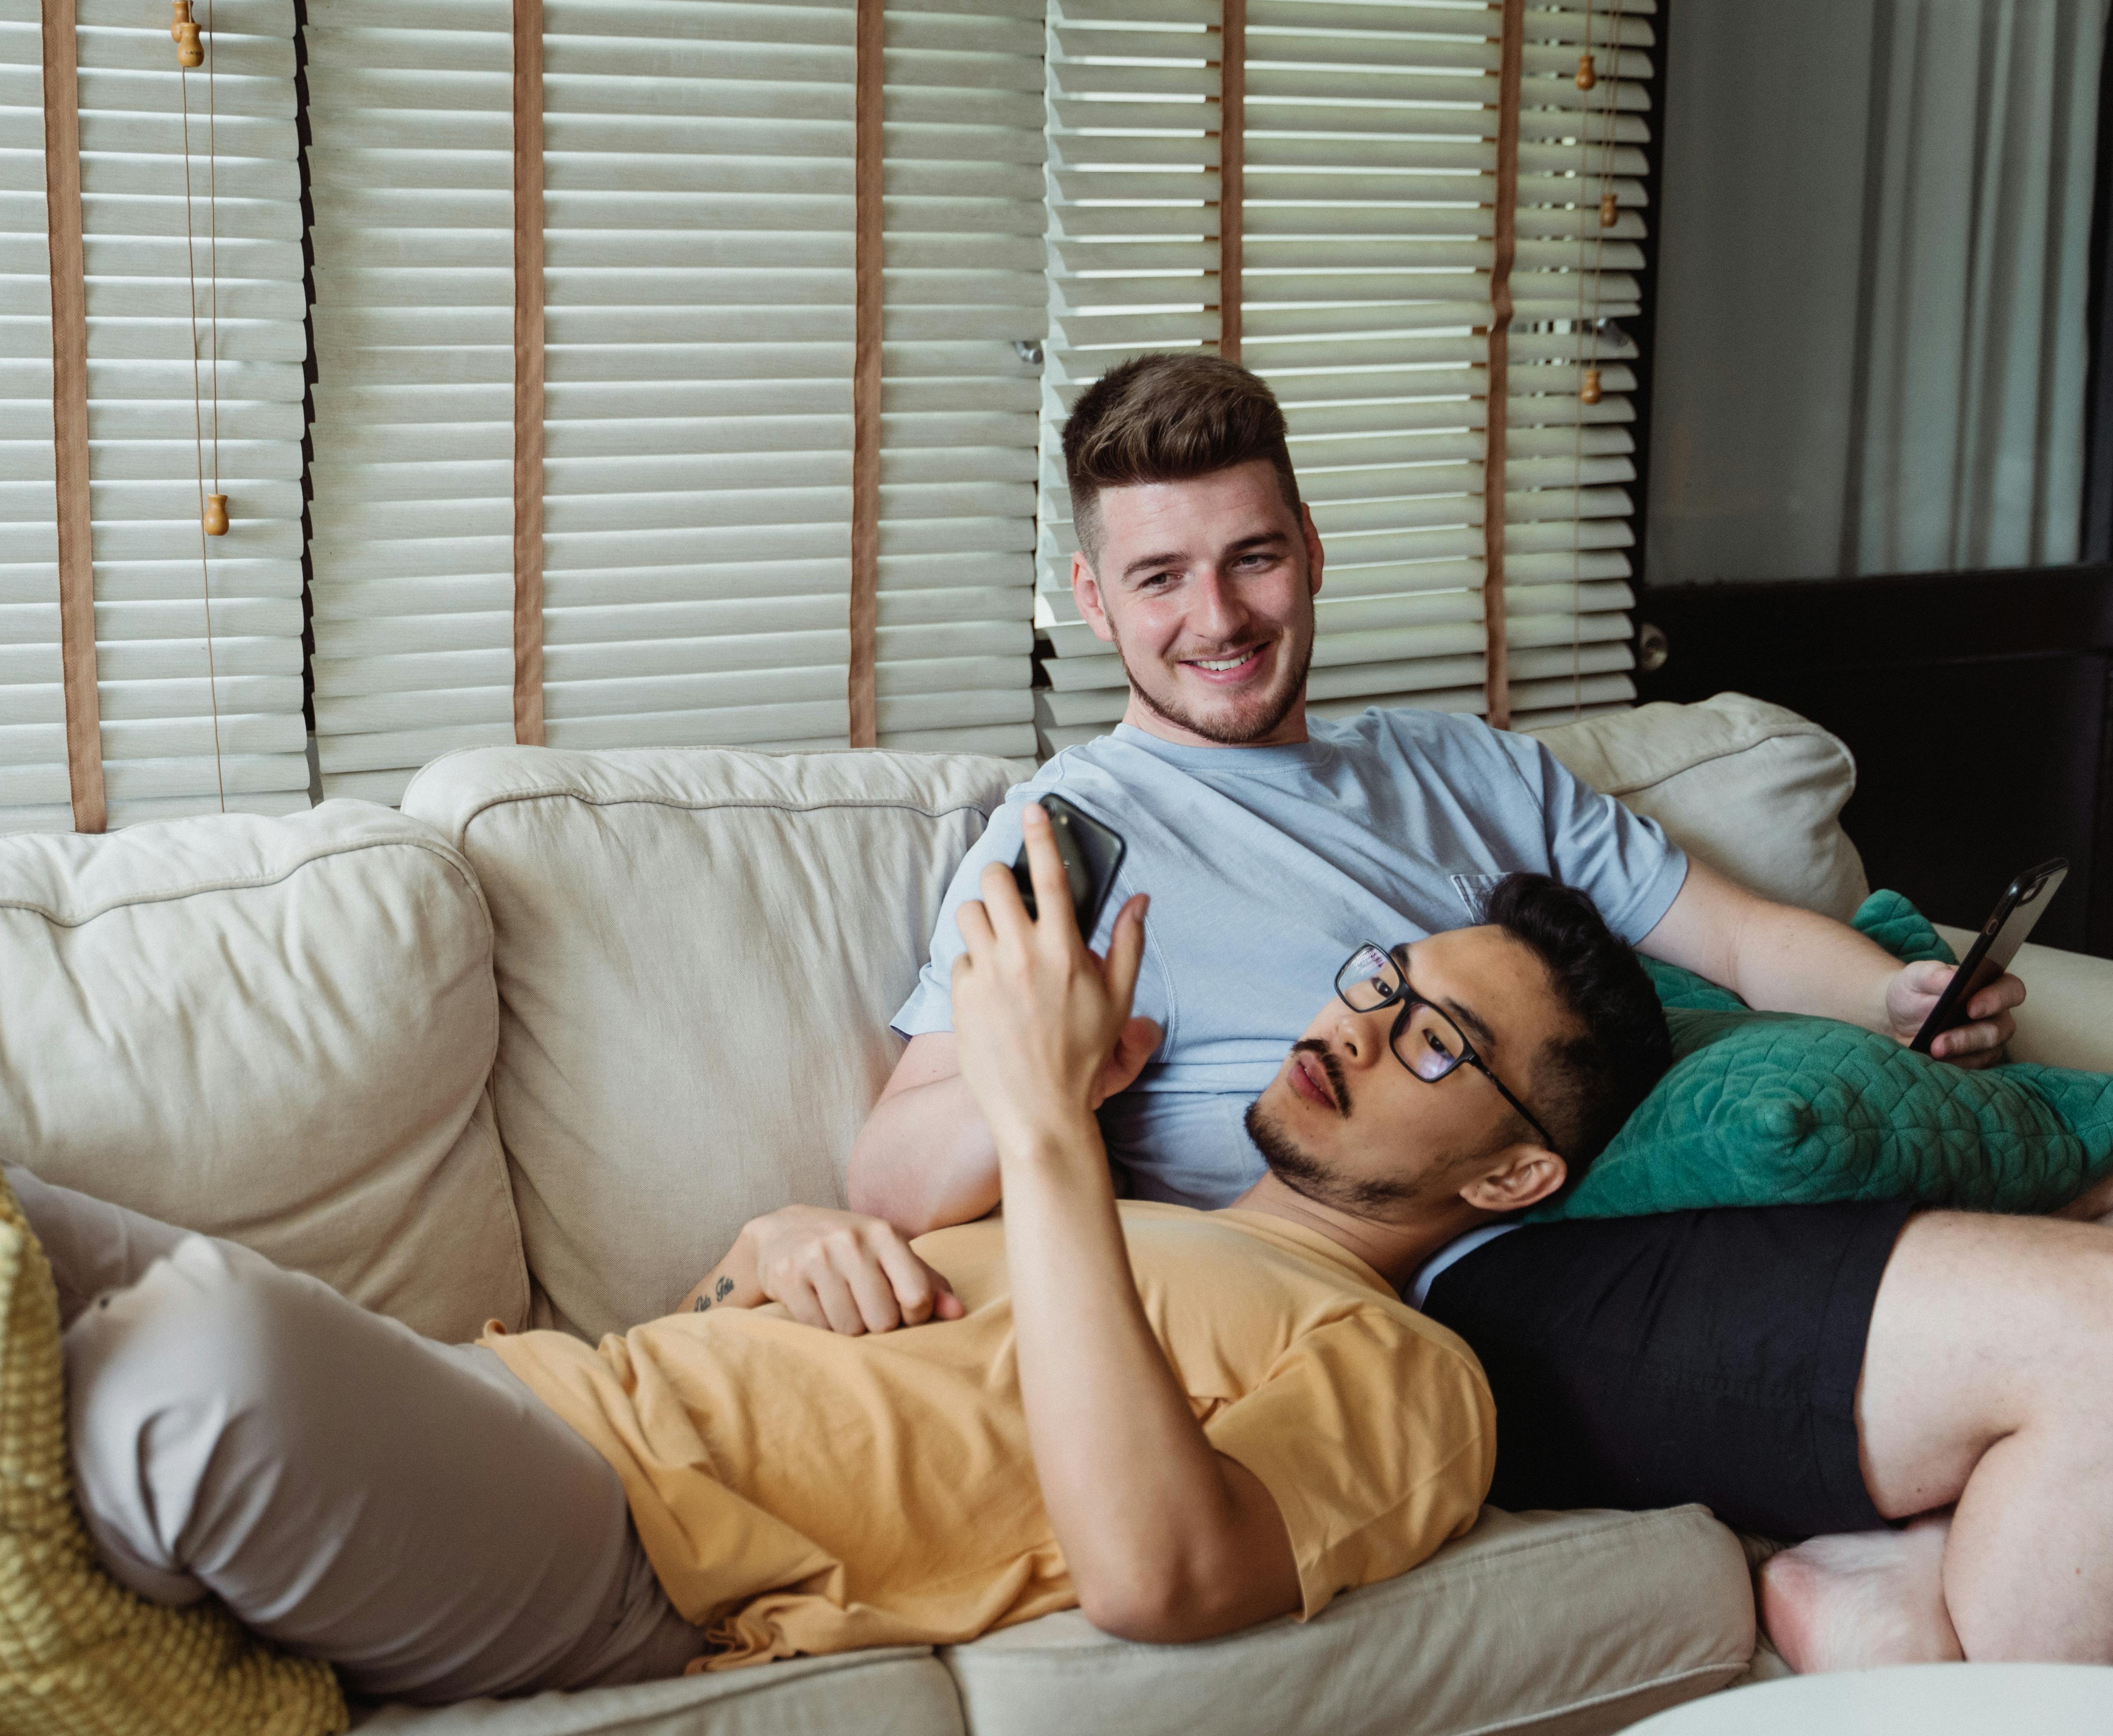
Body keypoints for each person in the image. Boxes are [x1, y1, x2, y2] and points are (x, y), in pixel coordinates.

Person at [0, 838, 1670, 1701]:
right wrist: (798, 1235)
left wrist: (1041, 1145)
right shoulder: (1120, 1221)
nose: (1363, 1022)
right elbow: (797, 1321)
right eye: (1382, 974)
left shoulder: (1408, 1380)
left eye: (1441, 1036)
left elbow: (1169, 1572)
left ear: (1522, 1170)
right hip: (540, 1395)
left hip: (630, 1555)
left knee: (177, 1362)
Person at [801, 350, 2113, 1674]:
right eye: (1159, 577)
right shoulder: (1069, 843)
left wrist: (1896, 995)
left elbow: (1743, 941)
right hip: (1446, 1285)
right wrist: (1053, 1071)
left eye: (1252, 557)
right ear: (1092, 599)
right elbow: (892, 1174)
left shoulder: (1464, 766)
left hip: (1633, 1188)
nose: (1219, 617)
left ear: (1310, 548)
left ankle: (1893, 1596)